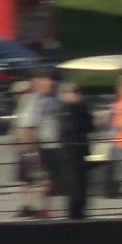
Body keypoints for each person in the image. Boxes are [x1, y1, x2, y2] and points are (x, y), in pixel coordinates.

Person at [12, 73, 58, 217]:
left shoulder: (49, 100)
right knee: (41, 179)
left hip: (44, 145)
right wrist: (31, 149)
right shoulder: (34, 101)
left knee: (36, 179)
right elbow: (27, 127)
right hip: (39, 146)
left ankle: (36, 207)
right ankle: (39, 208)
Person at [56, 81, 95, 220]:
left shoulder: (83, 108)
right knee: (75, 187)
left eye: (78, 91)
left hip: (82, 150)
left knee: (83, 186)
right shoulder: (65, 109)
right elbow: (71, 127)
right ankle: (73, 215)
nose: (76, 95)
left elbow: (90, 126)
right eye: (73, 92)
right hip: (70, 152)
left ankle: (80, 212)